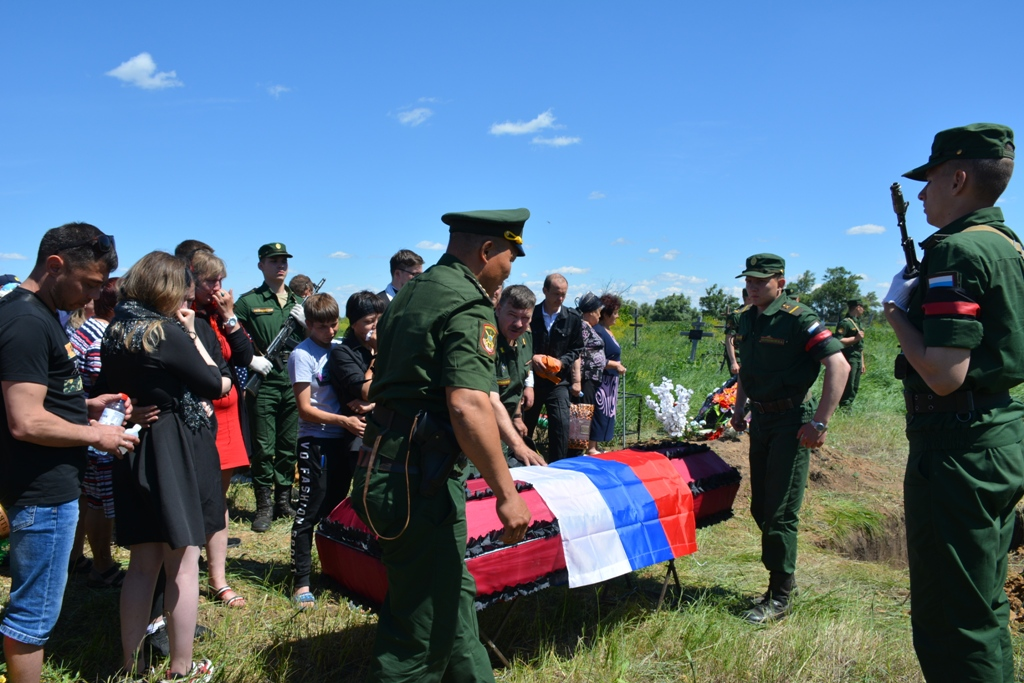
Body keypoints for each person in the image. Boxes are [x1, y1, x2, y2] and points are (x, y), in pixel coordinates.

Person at [352, 209, 532, 683]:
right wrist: (506, 493)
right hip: (418, 483)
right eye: (509, 259)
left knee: (449, 596)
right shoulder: (466, 304)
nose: (508, 272)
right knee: (418, 637)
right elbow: (469, 405)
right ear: (487, 251)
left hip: (388, 470)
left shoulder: (413, 292)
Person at [883, 123, 1023, 682]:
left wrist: (896, 314)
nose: (920, 194)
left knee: (952, 617)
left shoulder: (958, 250)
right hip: (995, 432)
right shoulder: (1008, 243)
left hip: (957, 446)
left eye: (930, 180)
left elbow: (943, 374)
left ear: (959, 177)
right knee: (982, 602)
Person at [0, 224, 137, 683]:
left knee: (35, 607)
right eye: (90, 285)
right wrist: (96, 435)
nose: (91, 298)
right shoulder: (25, 320)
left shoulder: (35, 314)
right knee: (32, 616)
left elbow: (37, 397)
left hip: (49, 481)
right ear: (55, 265)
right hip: (42, 489)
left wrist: (85, 404)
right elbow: (26, 420)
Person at [102, 252, 228, 680]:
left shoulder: (116, 329)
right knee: (183, 562)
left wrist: (132, 409)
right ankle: (182, 667)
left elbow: (107, 390)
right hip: (173, 445)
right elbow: (213, 384)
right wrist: (192, 333)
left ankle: (130, 664)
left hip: (134, 442)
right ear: (167, 288)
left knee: (141, 565)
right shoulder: (164, 331)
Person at [728, 253, 849, 624]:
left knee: (780, 511)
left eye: (760, 281)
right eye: (748, 280)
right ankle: (785, 581)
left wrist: (820, 423)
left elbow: (839, 365)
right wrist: (739, 408)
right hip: (762, 420)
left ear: (779, 281)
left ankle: (779, 596)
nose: (751, 286)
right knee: (761, 507)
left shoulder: (800, 319)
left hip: (792, 422)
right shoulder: (746, 318)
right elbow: (748, 369)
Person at [287, 292, 366, 609]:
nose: (331, 332)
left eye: (335, 325)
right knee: (310, 509)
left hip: (343, 440)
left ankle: (335, 570)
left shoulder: (338, 350)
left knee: (337, 509)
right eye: (323, 327)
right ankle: (301, 581)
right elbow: (305, 409)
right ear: (308, 325)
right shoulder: (301, 356)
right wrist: (343, 420)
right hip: (316, 439)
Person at [190, 249, 255, 607]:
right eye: (212, 281)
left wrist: (229, 315)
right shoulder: (183, 315)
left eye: (222, 281)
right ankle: (187, 565)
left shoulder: (218, 314)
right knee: (196, 492)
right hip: (199, 412)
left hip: (227, 413)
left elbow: (244, 354)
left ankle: (217, 577)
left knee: (219, 492)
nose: (219, 288)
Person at [234, 243, 305, 531]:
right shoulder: (248, 302)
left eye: (284, 260)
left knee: (288, 446)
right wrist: (250, 360)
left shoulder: (298, 301)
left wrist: (306, 323)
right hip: (263, 380)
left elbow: (312, 342)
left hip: (291, 380)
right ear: (261, 265)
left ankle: (283, 501)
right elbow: (231, 337)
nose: (281, 265)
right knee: (264, 447)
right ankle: (263, 505)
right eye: (273, 260)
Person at [66, 277, 126, 588]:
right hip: (99, 432)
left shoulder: (83, 330)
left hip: (80, 428)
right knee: (100, 502)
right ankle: (102, 565)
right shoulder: (103, 338)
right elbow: (103, 386)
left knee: (84, 497)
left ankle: (74, 557)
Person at [523, 273, 584, 462]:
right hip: (532, 381)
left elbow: (576, 348)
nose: (560, 299)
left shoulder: (572, 318)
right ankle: (521, 465)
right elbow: (520, 342)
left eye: (564, 295)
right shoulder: (530, 315)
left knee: (560, 426)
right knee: (525, 425)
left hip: (558, 383)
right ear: (545, 291)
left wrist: (562, 362)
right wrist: (532, 357)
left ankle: (558, 467)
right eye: (556, 293)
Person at [491, 285, 545, 467]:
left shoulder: (525, 338)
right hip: (484, 430)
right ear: (498, 310)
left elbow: (517, 380)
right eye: (512, 315)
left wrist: (516, 417)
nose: (519, 324)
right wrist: (519, 446)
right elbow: (490, 399)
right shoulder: (487, 343)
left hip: (506, 429)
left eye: (525, 318)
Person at [590, 293, 627, 451]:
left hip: (610, 382)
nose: (617, 316)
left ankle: (597, 445)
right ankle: (591, 447)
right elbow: (595, 358)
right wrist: (614, 365)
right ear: (605, 314)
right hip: (601, 380)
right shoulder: (598, 331)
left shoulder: (607, 330)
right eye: (615, 313)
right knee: (598, 411)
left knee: (606, 413)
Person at [575, 292, 607, 455]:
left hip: (592, 378)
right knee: (582, 413)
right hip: (586, 377)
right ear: (590, 312)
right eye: (598, 311)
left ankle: (581, 447)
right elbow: (579, 352)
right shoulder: (582, 327)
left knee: (586, 412)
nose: (600, 314)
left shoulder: (589, 327)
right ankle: (578, 449)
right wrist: (577, 380)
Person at [835, 298, 866, 409]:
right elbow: (838, 340)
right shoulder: (846, 323)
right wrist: (855, 338)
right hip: (849, 356)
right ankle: (844, 406)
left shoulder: (857, 322)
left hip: (857, 356)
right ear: (857, 307)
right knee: (849, 383)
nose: (863, 309)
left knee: (855, 385)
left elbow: (860, 346)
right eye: (862, 307)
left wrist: (862, 362)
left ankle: (849, 405)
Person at [724, 289, 752, 376]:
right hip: (739, 357)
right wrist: (733, 362)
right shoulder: (736, 316)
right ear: (748, 298)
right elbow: (729, 338)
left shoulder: (758, 314)